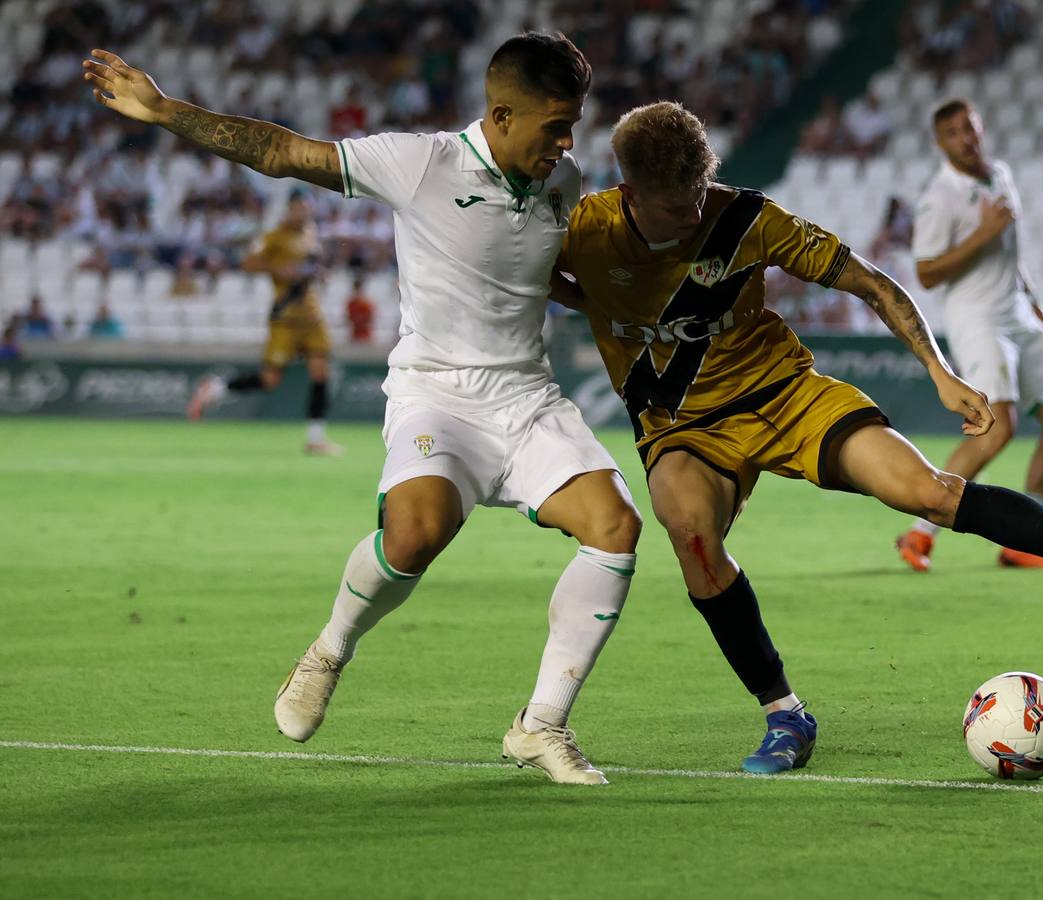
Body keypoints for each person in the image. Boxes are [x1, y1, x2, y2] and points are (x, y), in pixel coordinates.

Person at [553, 100, 1043, 776]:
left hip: (786, 395)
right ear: (629, 191)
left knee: (930, 493)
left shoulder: (744, 218)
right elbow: (520, 276)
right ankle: (786, 715)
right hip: (683, 426)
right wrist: (596, 306)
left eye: (701, 193)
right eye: (676, 206)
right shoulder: (583, 230)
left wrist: (940, 371)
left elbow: (870, 282)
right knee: (692, 537)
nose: (694, 213)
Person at [84, 33, 643, 786]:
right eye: (555, 124)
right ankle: (328, 651)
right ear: (503, 114)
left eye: (573, 123)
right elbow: (285, 152)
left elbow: (541, 275)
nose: (568, 142)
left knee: (616, 529)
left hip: (526, 395)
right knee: (415, 536)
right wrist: (165, 111)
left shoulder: (563, 180)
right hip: (437, 393)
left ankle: (541, 726)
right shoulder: (421, 164)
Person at [897, 99, 1043, 572]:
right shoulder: (938, 197)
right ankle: (920, 533)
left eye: (971, 128)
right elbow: (925, 273)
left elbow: (1010, 252)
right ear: (940, 142)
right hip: (977, 317)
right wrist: (981, 234)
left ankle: (1028, 541)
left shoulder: (999, 174)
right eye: (955, 132)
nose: (966, 138)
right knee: (997, 426)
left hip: (1018, 312)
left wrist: (1033, 296)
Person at [183, 191, 343, 456]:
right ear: (289, 209)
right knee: (270, 380)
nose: (303, 213)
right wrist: (278, 270)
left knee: (321, 371)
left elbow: (310, 267)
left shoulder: (311, 234)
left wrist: (318, 272)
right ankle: (217, 387)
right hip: (285, 317)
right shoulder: (273, 236)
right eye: (299, 208)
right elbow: (248, 263)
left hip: (312, 315)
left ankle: (315, 438)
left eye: (306, 208)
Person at [346, 274, 375, 344]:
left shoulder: (366, 303)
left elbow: (370, 318)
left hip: (365, 335)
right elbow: (348, 318)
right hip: (354, 334)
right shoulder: (351, 303)